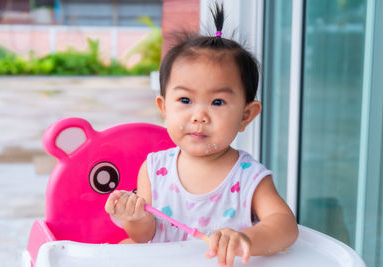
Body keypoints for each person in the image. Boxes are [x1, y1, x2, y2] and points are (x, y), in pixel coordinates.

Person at [105, 4, 298, 266]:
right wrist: (134, 218)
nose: (199, 116)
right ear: (164, 108)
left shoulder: (249, 177)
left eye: (217, 102)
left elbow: (285, 226)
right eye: (185, 99)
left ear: (246, 115)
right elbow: (145, 237)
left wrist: (247, 239)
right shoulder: (154, 169)